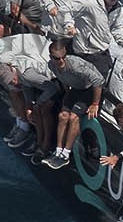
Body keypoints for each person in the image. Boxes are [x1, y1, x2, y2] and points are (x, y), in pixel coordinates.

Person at [37, 39, 104, 169]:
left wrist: (95, 103)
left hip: (90, 89)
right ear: (51, 57)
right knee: (63, 116)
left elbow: (98, 80)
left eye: (63, 57)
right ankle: (58, 151)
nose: (61, 61)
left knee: (73, 117)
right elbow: (63, 79)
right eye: (57, 58)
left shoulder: (76, 65)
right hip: (76, 89)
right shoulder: (51, 65)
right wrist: (68, 93)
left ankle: (66, 154)